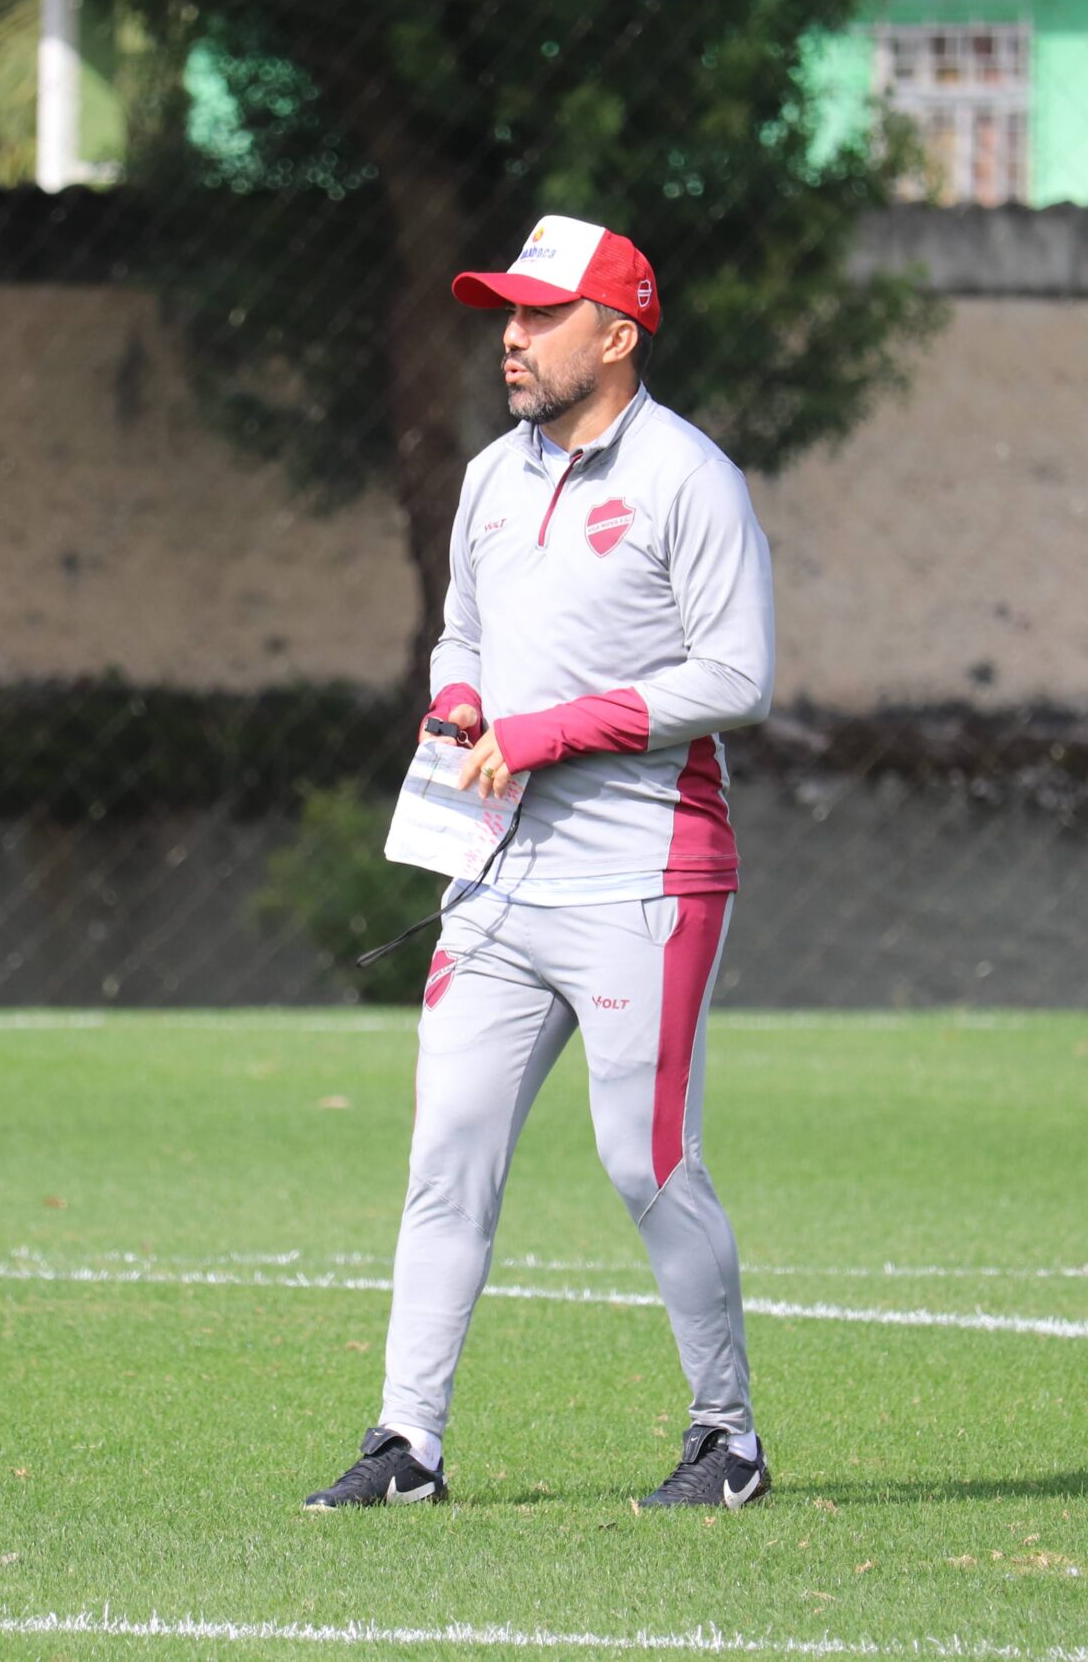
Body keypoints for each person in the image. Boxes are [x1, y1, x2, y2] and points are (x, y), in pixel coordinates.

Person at [305, 215, 776, 1512]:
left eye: (540, 313)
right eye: (505, 311)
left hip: (648, 877)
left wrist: (545, 731)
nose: (510, 335)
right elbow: (462, 634)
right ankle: (409, 1445)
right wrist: (457, 708)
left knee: (645, 1161)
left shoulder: (690, 475)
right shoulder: (487, 479)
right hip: (498, 886)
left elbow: (737, 675)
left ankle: (728, 1438)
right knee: (446, 1154)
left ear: (617, 335)